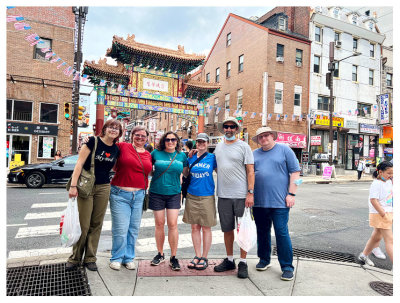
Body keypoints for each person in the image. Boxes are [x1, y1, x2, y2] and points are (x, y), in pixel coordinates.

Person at [66, 119, 121, 271]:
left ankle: (90, 258)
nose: (113, 130)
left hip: (104, 187)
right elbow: (79, 163)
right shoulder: (92, 141)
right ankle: (75, 258)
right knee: (83, 225)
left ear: (120, 133)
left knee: (96, 224)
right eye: (111, 126)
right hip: (86, 186)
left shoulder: (116, 149)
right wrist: (73, 185)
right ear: (105, 129)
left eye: (117, 128)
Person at [251, 126, 301, 281]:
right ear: (258, 140)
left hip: (280, 202)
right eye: (261, 137)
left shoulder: (285, 150)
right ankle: (264, 260)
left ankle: (287, 266)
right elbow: (248, 174)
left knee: (281, 233)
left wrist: (292, 194)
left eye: (267, 135)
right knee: (262, 232)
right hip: (259, 202)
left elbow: (295, 173)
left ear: (273, 136)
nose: (264, 138)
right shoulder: (254, 154)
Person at [212, 117, 254, 279]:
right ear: (223, 129)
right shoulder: (218, 147)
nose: (229, 129)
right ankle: (230, 260)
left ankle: (243, 261)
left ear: (237, 129)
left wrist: (250, 193)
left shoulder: (244, 147)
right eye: (226, 127)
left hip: (242, 196)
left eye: (232, 127)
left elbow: (250, 171)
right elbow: (214, 166)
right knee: (227, 229)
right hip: (223, 195)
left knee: (244, 230)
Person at [108, 126, 152, 271]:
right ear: (131, 135)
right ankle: (116, 258)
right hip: (120, 194)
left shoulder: (148, 154)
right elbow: (107, 145)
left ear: (147, 138)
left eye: (143, 136)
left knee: (133, 229)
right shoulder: (122, 147)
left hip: (139, 195)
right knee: (121, 228)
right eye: (137, 135)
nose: (140, 138)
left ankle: (128, 257)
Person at [149, 131, 189, 271]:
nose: (170, 142)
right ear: (163, 141)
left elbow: (186, 173)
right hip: (156, 192)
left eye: (173, 140)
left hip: (174, 193)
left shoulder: (182, 156)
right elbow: (147, 169)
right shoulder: (155, 154)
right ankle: (160, 254)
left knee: (172, 224)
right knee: (159, 224)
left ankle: (173, 256)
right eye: (167, 140)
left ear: (177, 141)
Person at [182, 133, 217, 270]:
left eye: (204, 142)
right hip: (192, 195)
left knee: (206, 227)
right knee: (194, 227)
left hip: (207, 195)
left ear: (207, 143)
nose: (201, 144)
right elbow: (185, 174)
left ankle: (204, 257)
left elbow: (222, 172)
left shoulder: (212, 158)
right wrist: (187, 158)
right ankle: (197, 255)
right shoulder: (190, 157)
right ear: (196, 143)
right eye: (199, 142)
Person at [358, 161, 393, 266]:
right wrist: (383, 214)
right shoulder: (376, 184)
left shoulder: (388, 181)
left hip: (387, 212)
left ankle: (363, 255)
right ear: (380, 172)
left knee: (376, 237)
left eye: (393, 173)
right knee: (390, 240)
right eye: (389, 173)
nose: (391, 175)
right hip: (380, 214)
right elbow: (373, 200)